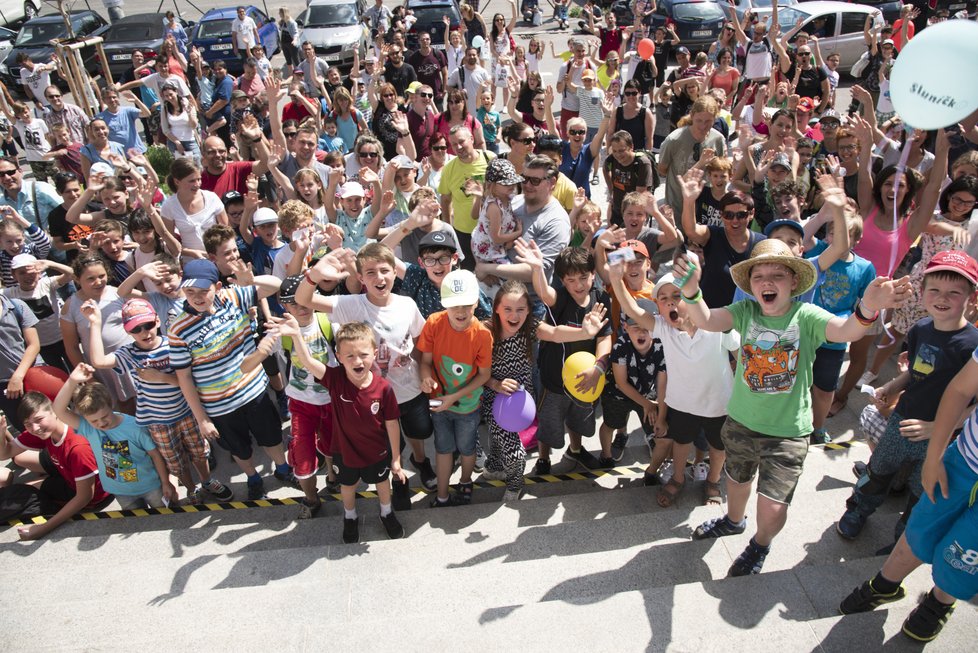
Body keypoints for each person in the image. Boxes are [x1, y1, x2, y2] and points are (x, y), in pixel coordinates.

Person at [673, 237, 911, 576]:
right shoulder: (745, 311)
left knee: (771, 508)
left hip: (788, 433)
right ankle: (733, 520)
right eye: (758, 277)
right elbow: (708, 320)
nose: (767, 283)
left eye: (777, 275)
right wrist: (691, 291)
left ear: (794, 281)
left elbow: (847, 331)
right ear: (750, 285)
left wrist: (868, 307)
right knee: (737, 481)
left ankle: (760, 545)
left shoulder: (807, 316)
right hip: (741, 421)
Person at [839, 324, 978, 642]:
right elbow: (959, 390)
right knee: (920, 528)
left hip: (940, 440)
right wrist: (935, 455)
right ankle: (885, 583)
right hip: (963, 459)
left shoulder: (970, 340)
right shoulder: (923, 331)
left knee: (963, 555)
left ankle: (940, 602)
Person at [837, 251, 978, 540]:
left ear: (971, 298)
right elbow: (916, 372)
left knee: (922, 487)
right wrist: (891, 387)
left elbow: (972, 405)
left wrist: (940, 428)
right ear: (922, 292)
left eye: (954, 292)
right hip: (902, 420)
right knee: (878, 470)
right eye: (935, 289)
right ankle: (858, 509)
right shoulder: (921, 329)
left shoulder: (972, 346)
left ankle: (906, 531)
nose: (942, 297)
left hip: (943, 437)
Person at [297, 244, 439, 501]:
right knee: (389, 446)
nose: (379, 277)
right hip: (374, 399)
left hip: (410, 390)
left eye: (385, 270)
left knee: (419, 433)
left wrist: (427, 373)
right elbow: (304, 299)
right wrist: (314, 275)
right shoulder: (351, 305)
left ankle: (420, 460)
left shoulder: (407, 304)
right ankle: (398, 481)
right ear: (360, 278)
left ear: (395, 274)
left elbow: (420, 344)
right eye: (370, 272)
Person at [169, 259, 295, 501]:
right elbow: (184, 377)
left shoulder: (233, 297)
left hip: (254, 391)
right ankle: (253, 478)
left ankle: (282, 468)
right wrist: (202, 419)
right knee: (238, 449)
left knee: (271, 437)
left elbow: (277, 284)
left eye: (204, 290)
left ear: (217, 286)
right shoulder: (178, 328)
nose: (197, 297)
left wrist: (250, 280)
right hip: (219, 405)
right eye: (190, 291)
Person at [53, 362, 177, 509]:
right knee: (138, 522)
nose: (101, 423)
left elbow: (155, 455)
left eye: (104, 416)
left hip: (151, 487)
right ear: (86, 418)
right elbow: (58, 410)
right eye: (94, 420)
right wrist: (72, 381)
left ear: (111, 404)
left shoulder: (135, 427)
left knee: (166, 515)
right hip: (120, 492)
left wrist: (165, 482)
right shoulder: (88, 428)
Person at [418, 269, 493, 506]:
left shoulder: (482, 334)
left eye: (467, 305)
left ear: (476, 303)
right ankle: (442, 495)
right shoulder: (433, 323)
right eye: (453, 305)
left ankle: (466, 482)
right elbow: (425, 362)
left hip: (468, 406)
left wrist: (454, 397)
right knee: (443, 448)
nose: (460, 312)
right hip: (439, 403)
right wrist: (425, 377)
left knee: (467, 448)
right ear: (444, 305)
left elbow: (484, 376)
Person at [2, 396, 111, 541]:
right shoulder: (47, 430)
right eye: (28, 424)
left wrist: (43, 528)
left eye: (39, 419)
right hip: (66, 468)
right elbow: (5, 453)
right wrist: (1, 432)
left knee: (24, 491)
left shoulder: (78, 448)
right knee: (20, 458)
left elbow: (84, 497)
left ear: (55, 412)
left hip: (93, 497)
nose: (35, 428)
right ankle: (48, 479)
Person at [658, 95, 725, 219]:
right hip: (677, 204)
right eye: (699, 120)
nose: (703, 126)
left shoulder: (718, 140)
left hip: (705, 207)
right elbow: (662, 169)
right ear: (692, 115)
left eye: (708, 121)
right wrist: (700, 163)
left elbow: (722, 169)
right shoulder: (674, 139)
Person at [438, 126, 495, 268]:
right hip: (464, 233)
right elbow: (445, 200)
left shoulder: (491, 159)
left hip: (493, 230)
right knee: (469, 274)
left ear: (472, 139)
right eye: (453, 144)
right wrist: (448, 230)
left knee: (495, 274)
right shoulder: (449, 169)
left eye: (461, 141)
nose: (458, 147)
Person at [604, 131, 654, 227]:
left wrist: (628, 216)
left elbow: (638, 195)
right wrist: (611, 191)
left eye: (621, 151)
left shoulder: (642, 163)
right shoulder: (611, 159)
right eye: (614, 151)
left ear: (631, 147)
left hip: (633, 213)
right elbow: (606, 170)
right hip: (617, 209)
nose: (618, 155)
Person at [447, 47, 492, 117]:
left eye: (474, 55)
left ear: (477, 56)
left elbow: (488, 94)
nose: (472, 57)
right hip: (463, 112)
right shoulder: (458, 72)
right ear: (465, 56)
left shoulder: (483, 72)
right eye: (469, 55)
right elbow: (448, 87)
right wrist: (458, 92)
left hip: (480, 112)